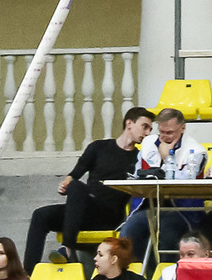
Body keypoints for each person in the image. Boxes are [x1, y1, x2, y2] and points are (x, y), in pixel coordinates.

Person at [28, 106, 151, 262]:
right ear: (129, 124)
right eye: (144, 127)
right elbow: (74, 174)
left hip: (109, 215)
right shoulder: (98, 147)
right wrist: (65, 184)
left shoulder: (139, 158)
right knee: (40, 215)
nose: (147, 133)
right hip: (84, 210)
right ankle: (28, 273)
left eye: (150, 129)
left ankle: (67, 248)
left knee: (77, 187)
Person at [112, 106, 208, 267]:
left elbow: (185, 183)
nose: (164, 136)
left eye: (169, 132)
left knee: (166, 235)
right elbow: (138, 173)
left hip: (181, 210)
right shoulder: (148, 143)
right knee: (128, 233)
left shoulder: (196, 151)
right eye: (161, 131)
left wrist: (167, 158)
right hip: (148, 206)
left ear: (183, 128)